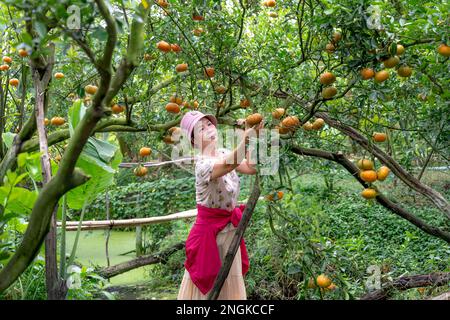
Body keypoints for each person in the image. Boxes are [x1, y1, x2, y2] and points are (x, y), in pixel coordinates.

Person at [177, 110, 263, 300]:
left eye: (209, 124)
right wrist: (246, 139)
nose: (208, 129)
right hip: (210, 237)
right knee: (209, 289)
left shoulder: (224, 152)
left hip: (230, 231)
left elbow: (251, 167)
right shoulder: (202, 165)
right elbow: (228, 165)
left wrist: (252, 135)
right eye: (201, 129)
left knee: (229, 288)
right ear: (193, 142)